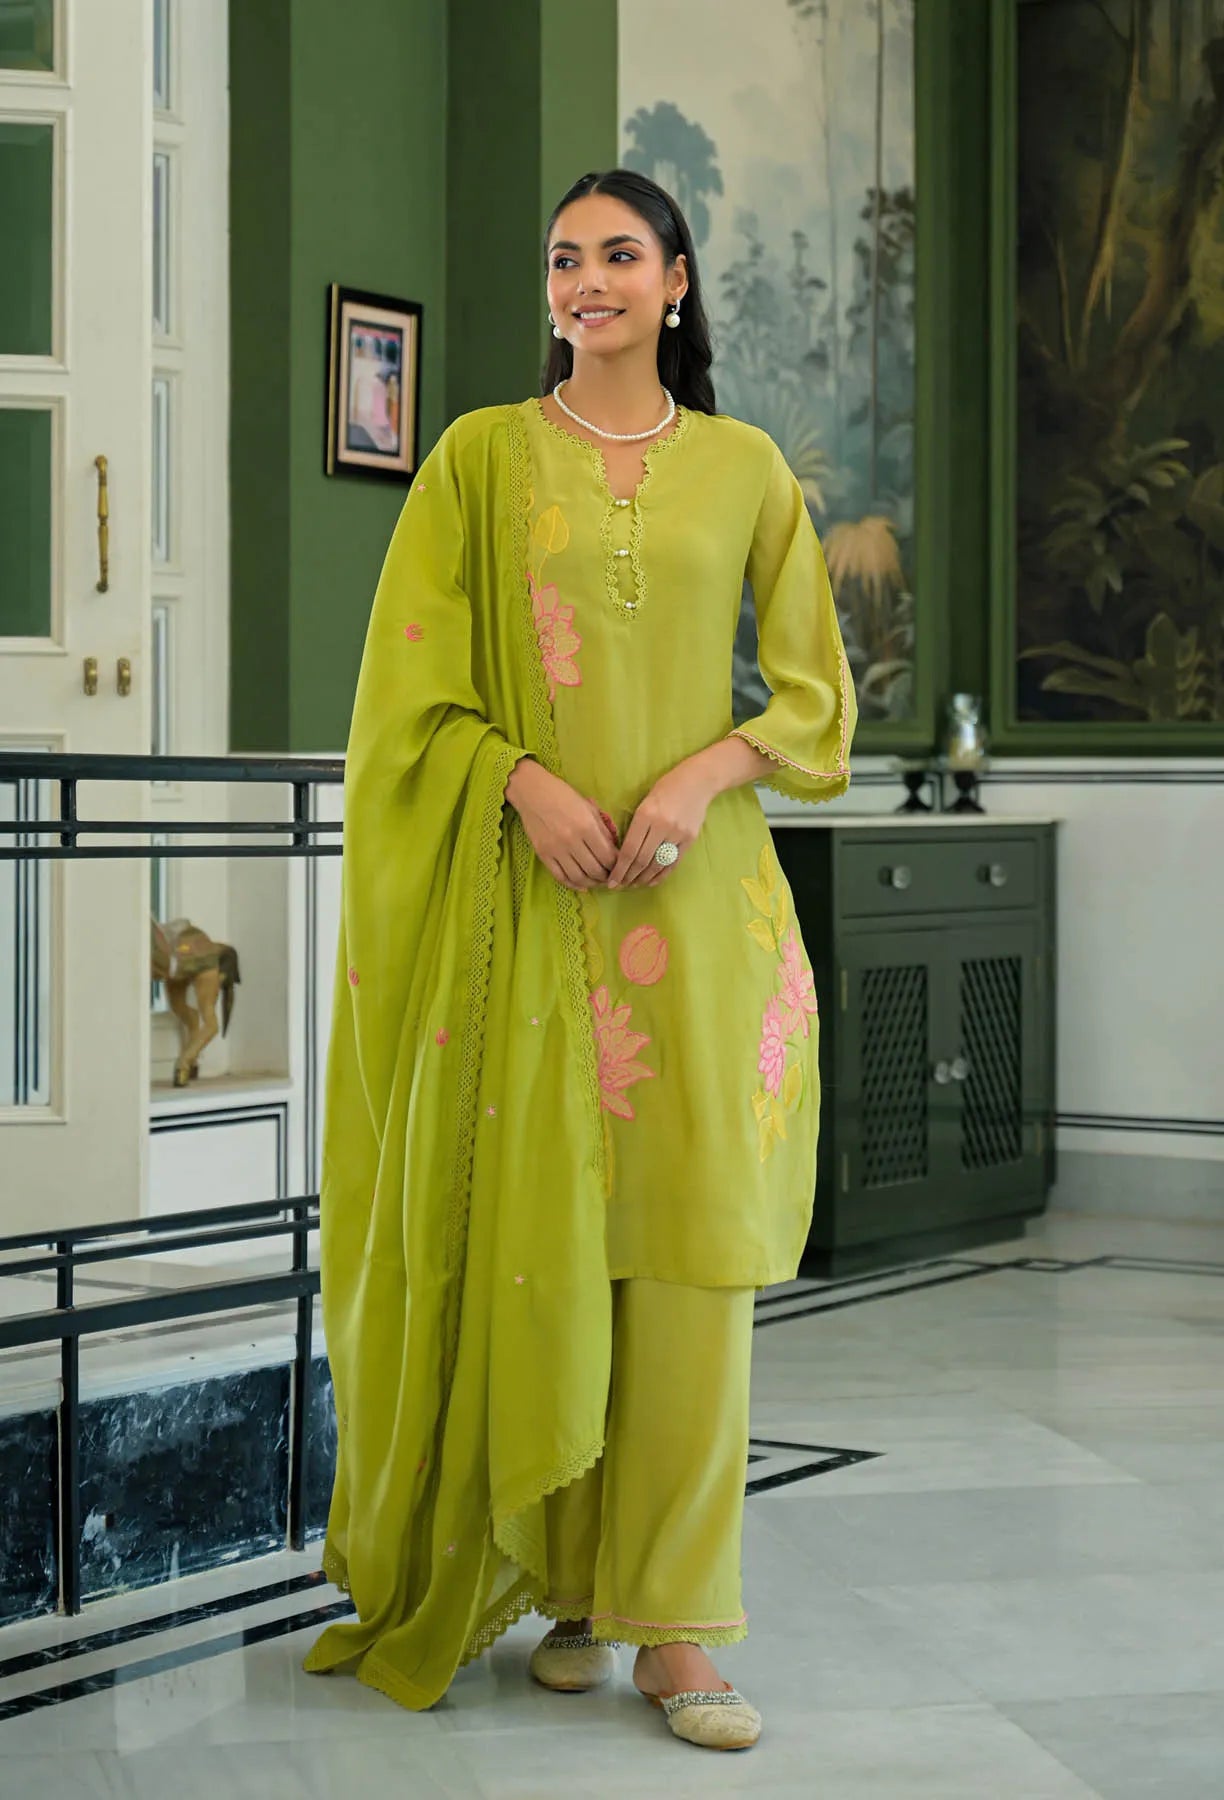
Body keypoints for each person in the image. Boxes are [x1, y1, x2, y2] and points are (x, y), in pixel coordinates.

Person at [302, 168, 856, 1752]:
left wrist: (701, 776)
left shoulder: (744, 470)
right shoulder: (479, 459)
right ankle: (563, 1587)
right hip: (533, 908)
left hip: (701, 909)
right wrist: (517, 780)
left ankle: (676, 1629)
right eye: (564, 259)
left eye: (620, 255)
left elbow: (814, 701)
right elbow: (406, 700)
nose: (587, 281)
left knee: (686, 1258)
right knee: (543, 1246)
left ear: (677, 282)